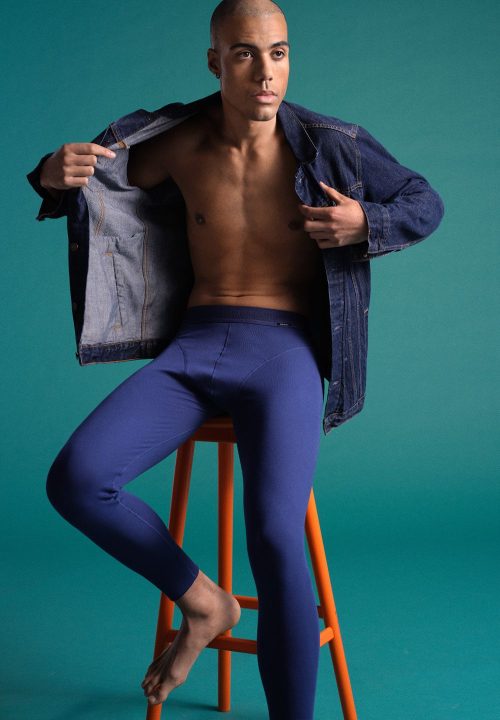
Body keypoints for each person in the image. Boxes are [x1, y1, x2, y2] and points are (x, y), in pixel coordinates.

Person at [27, 1, 444, 717]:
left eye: (279, 53)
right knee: (77, 479)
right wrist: (47, 174)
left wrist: (366, 221)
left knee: (276, 537)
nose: (265, 73)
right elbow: (82, 179)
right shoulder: (174, 142)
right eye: (246, 54)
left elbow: (424, 201)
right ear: (215, 62)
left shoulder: (331, 144)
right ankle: (203, 601)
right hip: (194, 348)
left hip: (282, 354)